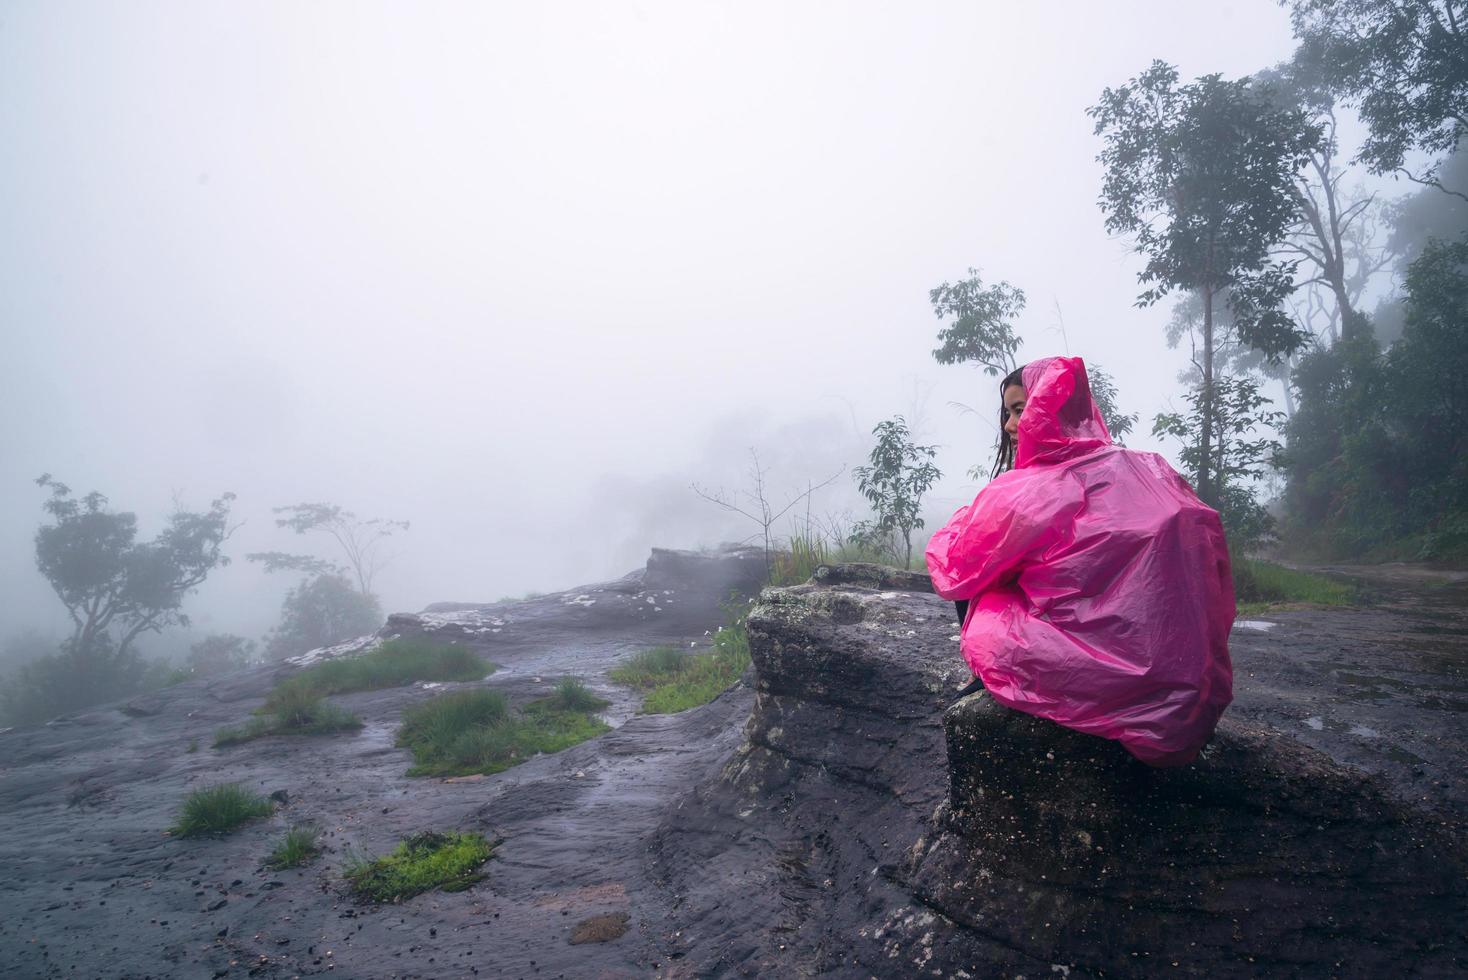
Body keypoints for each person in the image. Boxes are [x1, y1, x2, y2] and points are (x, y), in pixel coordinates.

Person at [925, 356, 1234, 767]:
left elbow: (958, 569)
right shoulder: (1142, 467)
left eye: (1021, 410)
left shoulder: (1031, 489)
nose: (1010, 425)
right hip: (1185, 691)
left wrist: (960, 523)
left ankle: (987, 676)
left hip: (1098, 672)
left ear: (1051, 410)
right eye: (1007, 413)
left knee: (983, 585)